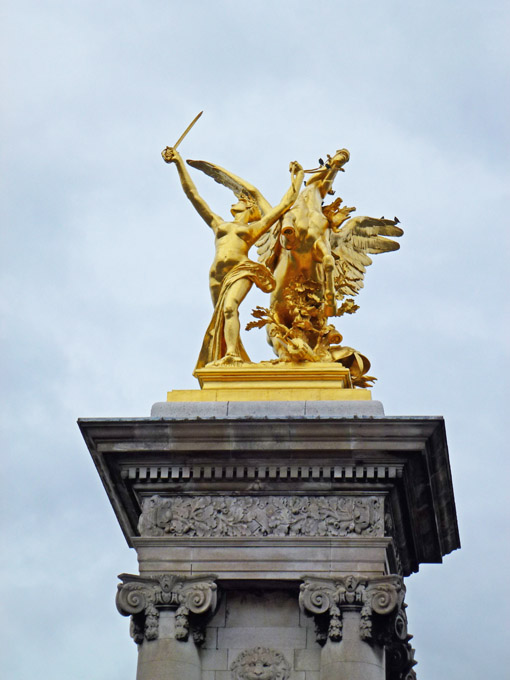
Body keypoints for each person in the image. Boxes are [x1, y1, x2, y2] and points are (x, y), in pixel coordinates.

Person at [162, 146, 303, 366]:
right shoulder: (218, 223)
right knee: (221, 318)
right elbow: (193, 194)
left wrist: (298, 176)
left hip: (241, 269)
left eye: (239, 199)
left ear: (248, 206)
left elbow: (285, 204)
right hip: (217, 274)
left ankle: (233, 356)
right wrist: (178, 162)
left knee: (230, 308)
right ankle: (229, 353)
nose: (234, 201)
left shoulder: (253, 228)